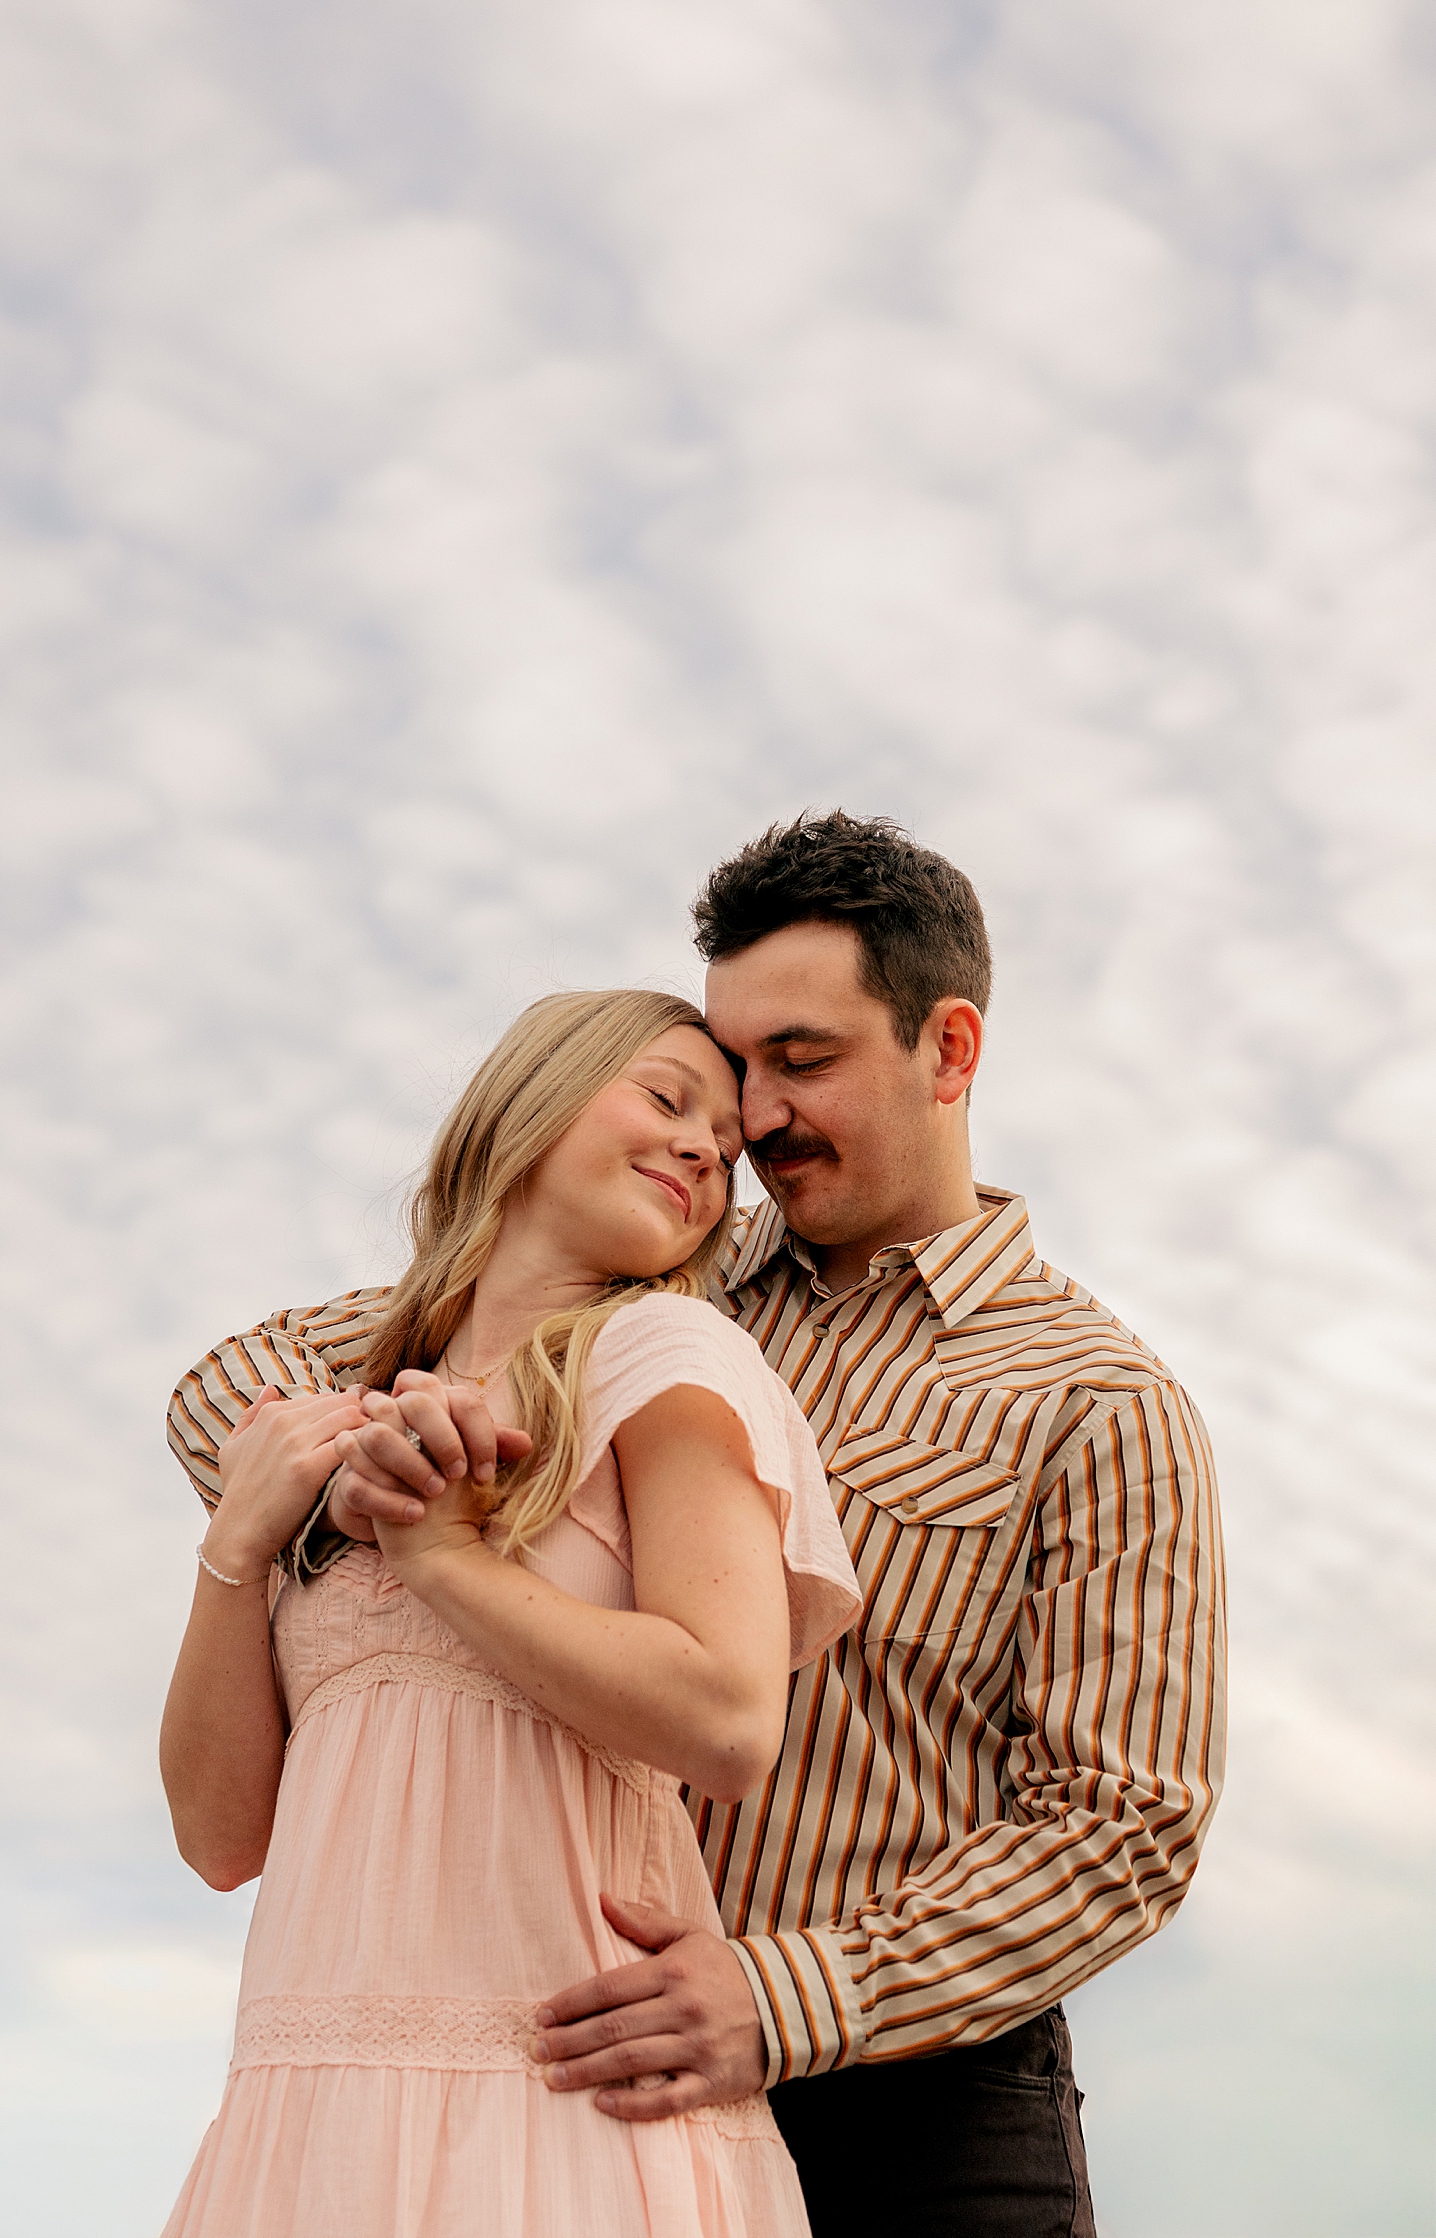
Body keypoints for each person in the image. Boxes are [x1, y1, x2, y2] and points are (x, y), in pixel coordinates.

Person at [174, 814, 1228, 2237]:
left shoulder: (1095, 1398)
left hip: (917, 2099)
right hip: (568, 2061)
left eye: (803, 1061)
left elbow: (1127, 1820)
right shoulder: (660, 1259)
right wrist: (374, 1463)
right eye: (735, 1076)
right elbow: (234, 1386)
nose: (759, 1119)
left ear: (951, 1049)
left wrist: (789, 1992)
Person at [158, 988, 862, 2238]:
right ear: (528, 1105)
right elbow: (220, 1839)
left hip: (556, 2100)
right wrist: (236, 1545)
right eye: (665, 1097)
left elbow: (730, 1713)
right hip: (309, 2112)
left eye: (728, 1147)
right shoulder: (348, 1417)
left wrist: (445, 1561)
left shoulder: (668, 1353)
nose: (707, 1146)